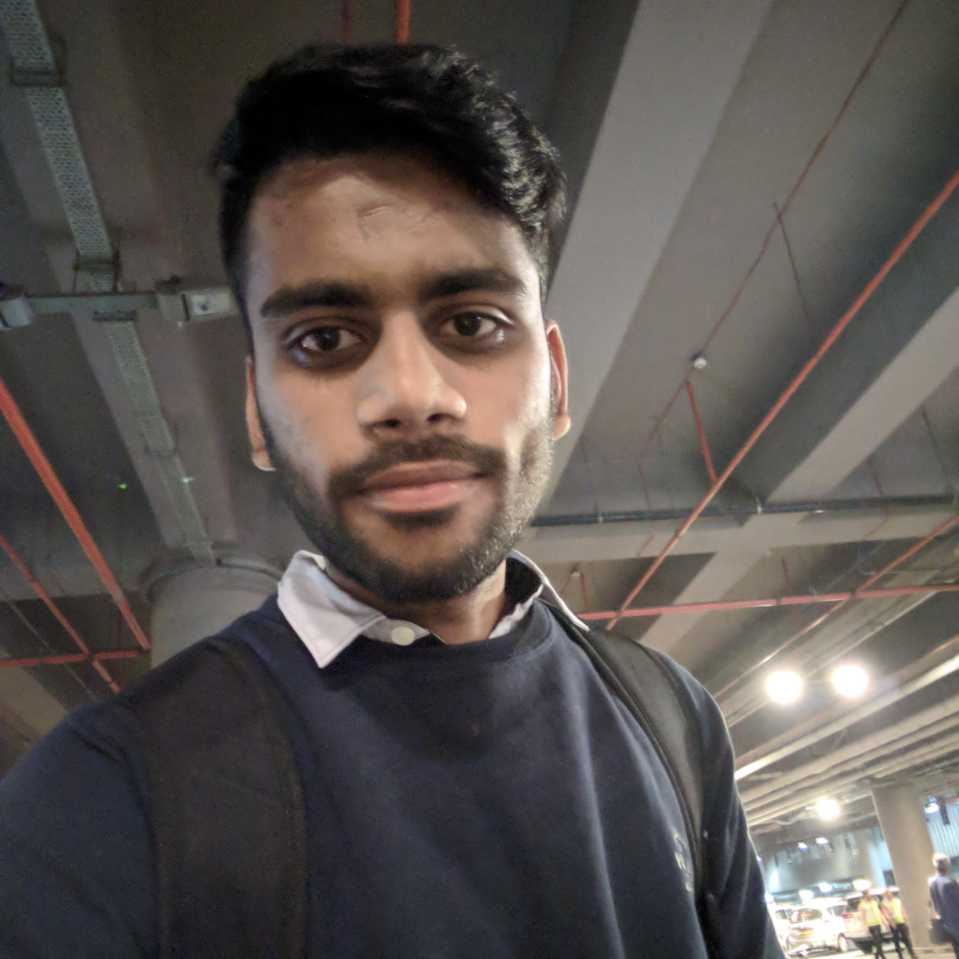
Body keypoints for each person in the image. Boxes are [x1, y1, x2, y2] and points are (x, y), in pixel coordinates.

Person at [0, 43, 782, 958]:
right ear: (255, 410)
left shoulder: (672, 718)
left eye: (473, 323)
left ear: (555, 381)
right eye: (325, 338)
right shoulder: (102, 795)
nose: (411, 395)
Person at [930, 852, 959, 958]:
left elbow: (935, 905)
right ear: (947, 865)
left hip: (946, 924)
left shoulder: (932, 883)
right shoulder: (950, 882)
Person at [880, 888, 916, 958]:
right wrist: (891, 922)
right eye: (887, 894)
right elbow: (885, 914)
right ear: (885, 895)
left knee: (906, 938)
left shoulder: (897, 900)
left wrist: (905, 917)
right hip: (893, 923)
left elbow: (902, 909)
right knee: (896, 940)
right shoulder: (884, 903)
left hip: (901, 921)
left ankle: (912, 954)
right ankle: (900, 955)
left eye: (890, 893)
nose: (889, 895)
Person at [859, 889, 887, 956]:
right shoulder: (862, 905)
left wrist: (884, 921)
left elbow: (879, 912)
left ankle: (877, 955)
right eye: (869, 894)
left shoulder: (874, 902)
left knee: (879, 941)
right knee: (877, 940)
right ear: (865, 895)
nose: (870, 895)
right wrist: (865, 927)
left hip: (878, 924)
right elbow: (863, 917)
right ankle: (883, 956)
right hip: (871, 925)